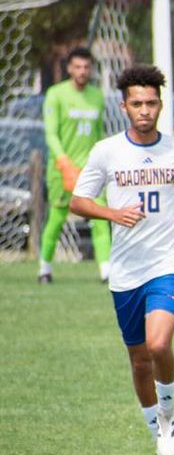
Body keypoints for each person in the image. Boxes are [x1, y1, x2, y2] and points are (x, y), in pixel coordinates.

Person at [69, 65, 174, 455]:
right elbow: (79, 201)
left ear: (160, 105)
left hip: (170, 260)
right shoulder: (106, 151)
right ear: (124, 106)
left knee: (159, 344)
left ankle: (168, 417)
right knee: (138, 360)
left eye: (151, 103)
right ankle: (156, 435)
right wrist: (113, 212)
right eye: (137, 103)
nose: (145, 110)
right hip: (127, 268)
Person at [38, 47, 109, 284]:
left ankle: (106, 271)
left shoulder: (97, 96)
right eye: (77, 67)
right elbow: (51, 134)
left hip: (90, 170)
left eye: (86, 67)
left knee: (100, 219)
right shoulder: (56, 95)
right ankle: (44, 269)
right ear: (69, 68)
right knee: (57, 219)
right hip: (62, 169)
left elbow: (99, 134)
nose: (82, 71)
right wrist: (64, 162)